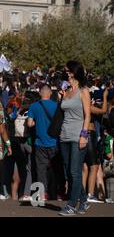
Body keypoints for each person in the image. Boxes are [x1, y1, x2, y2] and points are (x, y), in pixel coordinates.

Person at [58, 61, 91, 216]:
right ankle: (83, 199)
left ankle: (71, 204)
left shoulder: (83, 91)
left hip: (78, 135)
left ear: (73, 72)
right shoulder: (66, 90)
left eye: (66, 70)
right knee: (69, 172)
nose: (64, 73)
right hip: (64, 135)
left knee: (74, 171)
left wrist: (84, 135)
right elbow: (63, 111)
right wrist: (60, 98)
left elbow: (88, 114)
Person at [27, 84, 58, 201]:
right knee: (54, 169)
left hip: (40, 143)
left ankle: (41, 195)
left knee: (41, 170)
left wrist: (36, 123)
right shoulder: (56, 106)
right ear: (50, 93)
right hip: (54, 142)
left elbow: (30, 123)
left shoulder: (34, 106)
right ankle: (54, 193)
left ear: (40, 93)